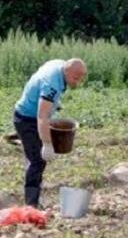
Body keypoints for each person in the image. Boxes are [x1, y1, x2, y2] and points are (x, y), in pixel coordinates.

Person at [13, 58, 87, 207]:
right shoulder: (51, 85)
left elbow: (41, 72)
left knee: (35, 158)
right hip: (27, 119)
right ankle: (31, 204)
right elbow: (42, 116)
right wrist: (46, 144)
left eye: (80, 79)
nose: (77, 82)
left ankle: (33, 201)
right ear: (66, 71)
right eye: (75, 78)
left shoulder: (59, 65)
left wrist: (54, 102)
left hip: (33, 114)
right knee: (37, 160)